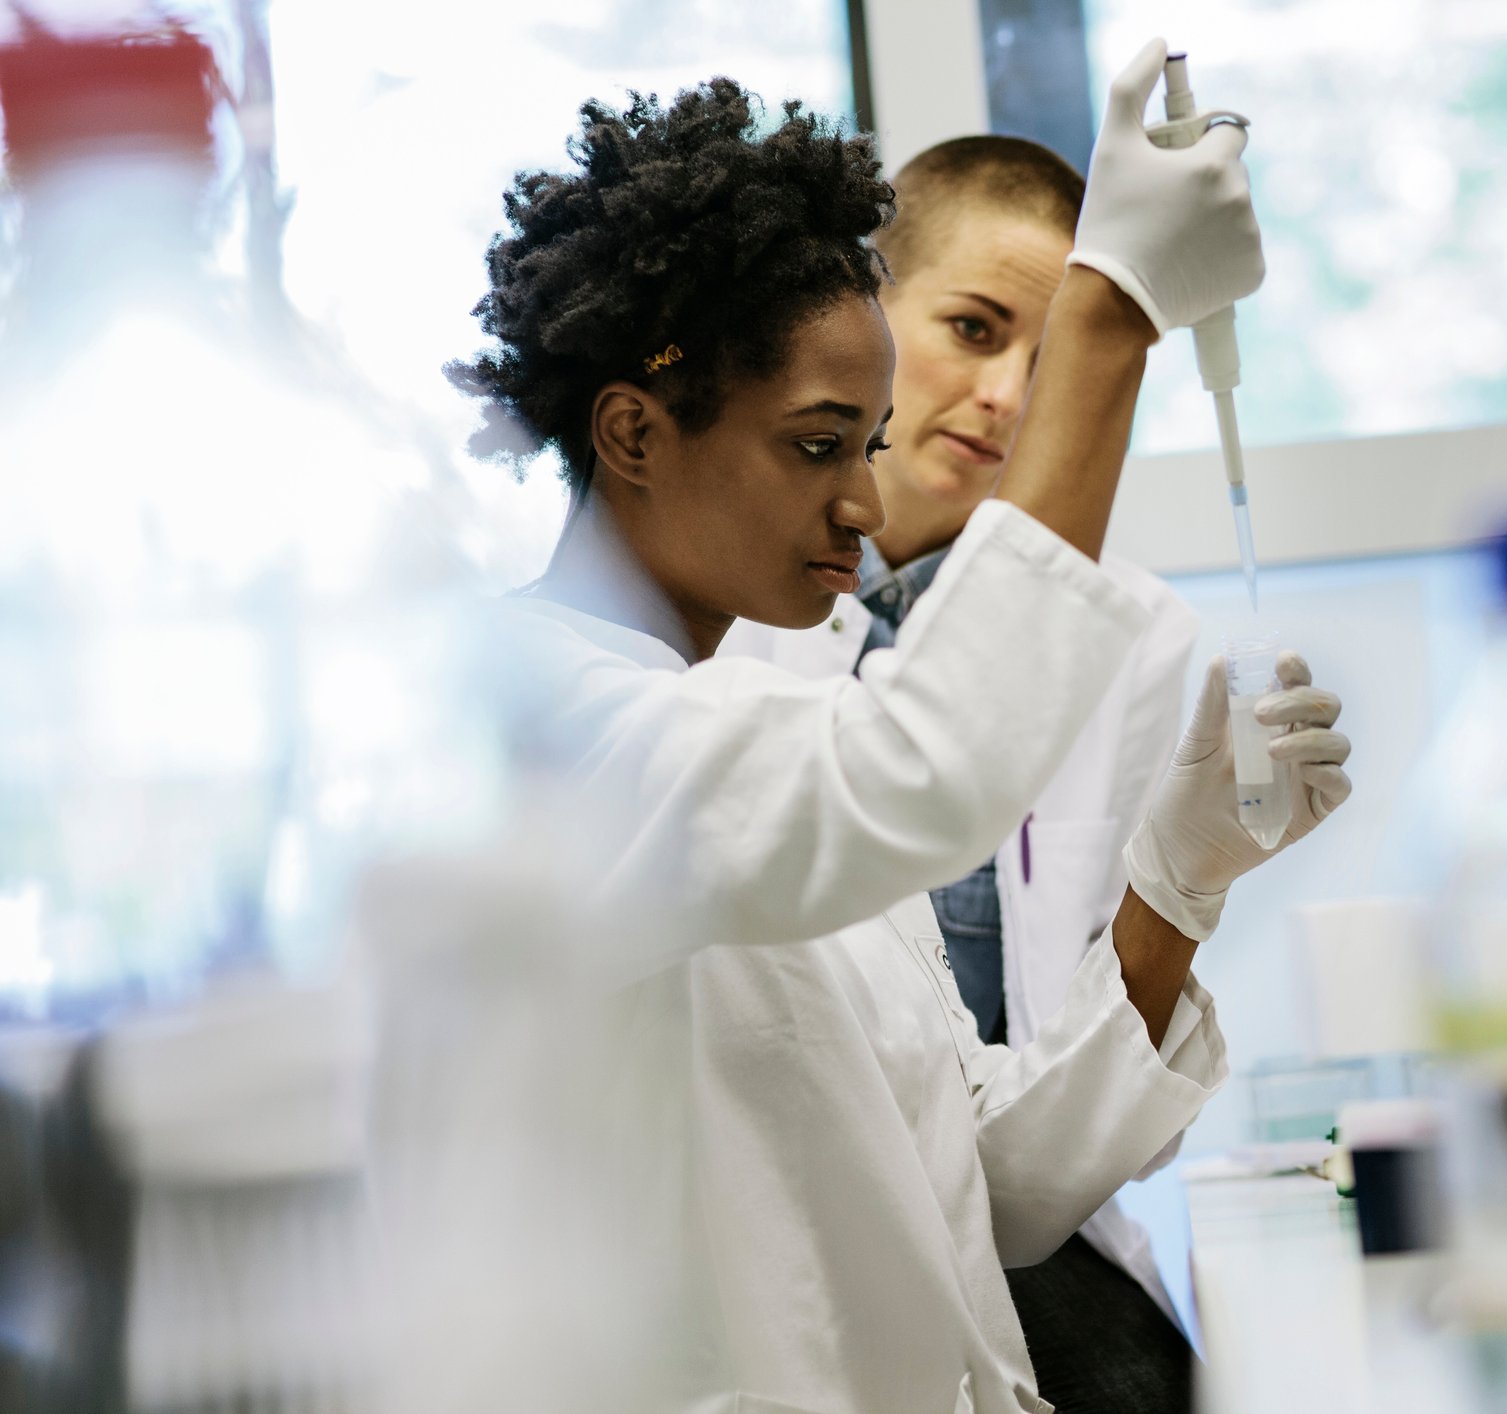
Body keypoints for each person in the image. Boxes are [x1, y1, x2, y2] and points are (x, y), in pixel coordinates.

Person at [454, 44, 1352, 1412]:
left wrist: (1178, 880)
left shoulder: (749, 718)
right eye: (821, 446)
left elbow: (985, 1189)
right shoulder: (527, 721)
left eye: (869, 447)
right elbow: (915, 776)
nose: (866, 509)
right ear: (633, 431)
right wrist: (1108, 314)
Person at [716, 135, 1201, 1410]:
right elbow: (920, 770)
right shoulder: (722, 636)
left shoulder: (1130, 636)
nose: (1007, 396)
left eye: (1050, 363)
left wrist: (1187, 889)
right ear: (861, 316)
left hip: (1021, 1206)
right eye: (973, 328)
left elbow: (1042, 1148)